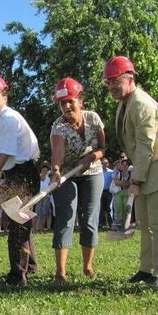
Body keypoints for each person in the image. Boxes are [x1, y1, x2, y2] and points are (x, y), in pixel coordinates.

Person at [104, 56, 158, 289]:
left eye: (115, 81)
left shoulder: (141, 104)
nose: (111, 86)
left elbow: (146, 146)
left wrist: (136, 180)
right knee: (145, 221)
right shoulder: (125, 103)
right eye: (108, 82)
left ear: (130, 79)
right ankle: (146, 268)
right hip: (145, 164)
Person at [0, 74, 40, 285]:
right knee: (21, 220)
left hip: (22, 173)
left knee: (18, 224)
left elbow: (4, 154)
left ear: (4, 95)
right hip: (15, 172)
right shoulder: (0, 119)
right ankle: (30, 265)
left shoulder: (7, 118)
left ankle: (17, 275)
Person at [49, 77, 106, 283]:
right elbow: (57, 151)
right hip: (66, 175)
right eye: (62, 103)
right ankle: (61, 272)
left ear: (80, 100)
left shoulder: (93, 119)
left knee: (89, 218)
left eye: (70, 101)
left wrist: (93, 157)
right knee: (66, 218)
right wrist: (56, 170)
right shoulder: (59, 126)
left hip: (93, 172)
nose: (66, 106)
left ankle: (87, 265)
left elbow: (103, 148)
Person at [111, 159, 132, 231]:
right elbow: (116, 182)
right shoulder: (118, 172)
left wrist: (122, 183)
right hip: (118, 192)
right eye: (123, 165)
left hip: (127, 192)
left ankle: (126, 224)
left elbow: (129, 183)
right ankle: (119, 224)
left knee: (126, 207)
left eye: (126, 165)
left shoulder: (130, 173)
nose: (124, 166)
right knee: (119, 207)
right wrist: (124, 183)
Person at [34, 163, 53, 232]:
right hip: (38, 197)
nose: (44, 172)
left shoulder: (49, 179)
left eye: (46, 170)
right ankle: (38, 228)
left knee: (46, 213)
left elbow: (51, 189)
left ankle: (47, 228)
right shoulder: (37, 178)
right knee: (38, 212)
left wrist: (47, 194)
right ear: (41, 171)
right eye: (43, 170)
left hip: (46, 197)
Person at [100, 158, 115, 229]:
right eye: (103, 163)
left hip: (109, 192)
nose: (104, 164)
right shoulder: (99, 172)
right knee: (101, 208)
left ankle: (111, 224)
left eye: (106, 163)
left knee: (109, 208)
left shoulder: (111, 172)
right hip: (100, 192)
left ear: (108, 164)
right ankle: (102, 224)